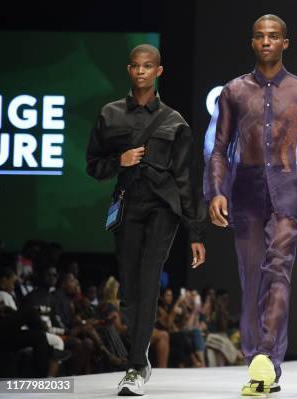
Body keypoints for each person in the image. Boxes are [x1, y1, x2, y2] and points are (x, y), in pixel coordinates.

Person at [204, 14, 297, 395]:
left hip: (289, 194)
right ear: (252, 42)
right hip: (246, 194)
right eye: (260, 36)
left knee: (279, 272)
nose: (266, 42)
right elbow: (218, 147)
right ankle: (256, 360)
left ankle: (267, 361)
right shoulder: (234, 91)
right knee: (252, 279)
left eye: (273, 36)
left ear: (285, 42)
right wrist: (216, 192)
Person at [86, 43, 206, 396]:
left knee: (149, 278)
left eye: (148, 66)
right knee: (130, 286)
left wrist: (196, 232)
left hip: (161, 209)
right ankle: (139, 358)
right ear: (129, 70)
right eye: (136, 66)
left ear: (159, 71)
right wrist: (118, 162)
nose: (141, 71)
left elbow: (186, 178)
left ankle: (136, 364)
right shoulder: (110, 114)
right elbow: (93, 164)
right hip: (126, 207)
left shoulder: (174, 121)